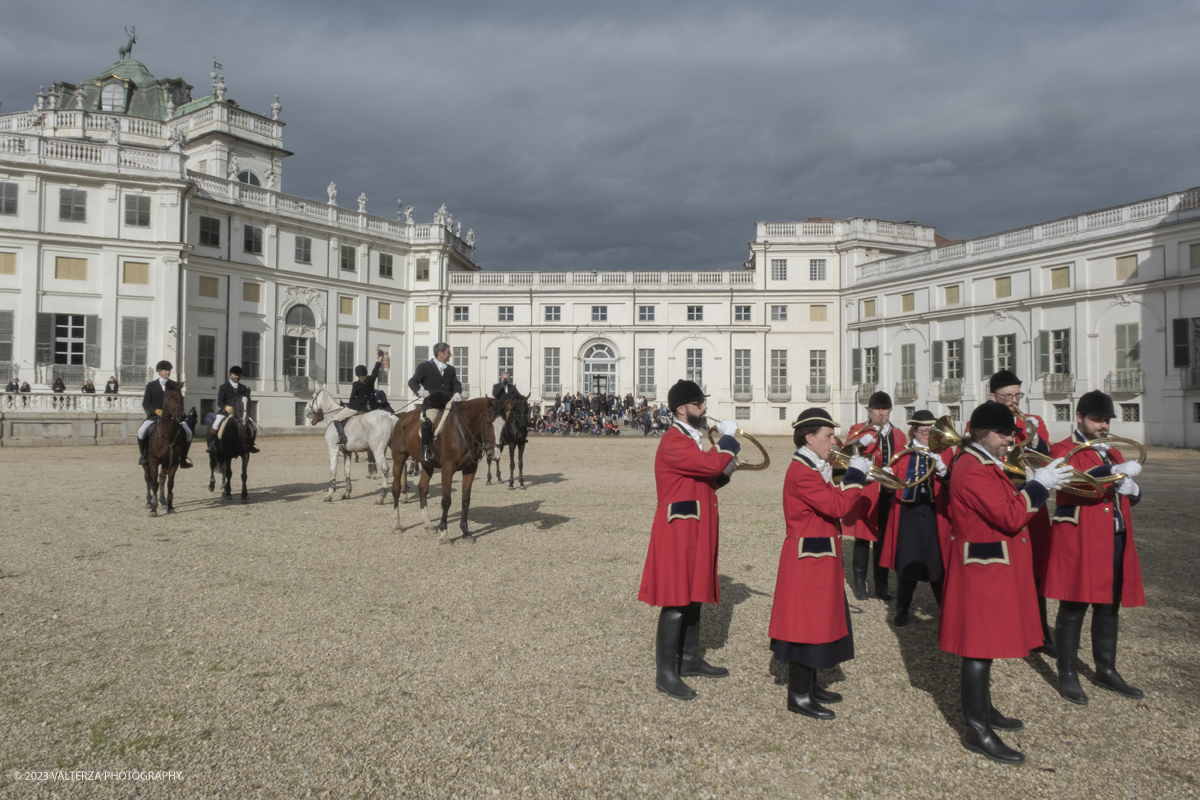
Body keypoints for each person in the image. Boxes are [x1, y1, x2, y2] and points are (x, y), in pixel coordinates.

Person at [939, 401, 1072, 764]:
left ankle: (986, 710)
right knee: (978, 650)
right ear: (980, 433)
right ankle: (976, 729)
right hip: (982, 568)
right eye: (1002, 434)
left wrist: (1029, 482)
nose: (1008, 441)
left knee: (988, 647)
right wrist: (1039, 486)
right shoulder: (972, 467)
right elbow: (1011, 515)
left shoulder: (983, 462)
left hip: (991, 565)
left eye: (1011, 434)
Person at [638, 379, 741, 700]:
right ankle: (665, 673)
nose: (705, 407)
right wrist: (728, 441)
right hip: (678, 532)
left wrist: (725, 474)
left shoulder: (690, 439)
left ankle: (689, 659)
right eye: (699, 403)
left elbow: (702, 479)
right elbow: (706, 464)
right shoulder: (674, 440)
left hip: (694, 528)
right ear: (682, 409)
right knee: (676, 602)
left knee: (693, 597)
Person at [769, 408, 873, 719]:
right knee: (805, 625)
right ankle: (798, 695)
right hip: (808, 557)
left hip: (818, 554)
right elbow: (836, 506)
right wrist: (855, 476)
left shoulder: (813, 464)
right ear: (809, 437)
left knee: (817, 621)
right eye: (828, 436)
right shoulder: (802, 469)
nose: (834, 440)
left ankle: (810, 686)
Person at [1044, 390, 1146, 706]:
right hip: (1081, 535)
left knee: (1109, 605)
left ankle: (1106, 668)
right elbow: (1075, 478)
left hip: (1114, 535)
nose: (1103, 426)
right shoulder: (1064, 449)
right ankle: (1068, 673)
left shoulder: (1114, 452)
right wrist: (1111, 473)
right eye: (1097, 419)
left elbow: (1126, 492)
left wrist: (1134, 489)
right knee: (1074, 605)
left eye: (1106, 420)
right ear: (1079, 418)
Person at [988, 369, 1056, 655]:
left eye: (1017, 395)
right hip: (1000, 497)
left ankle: (1040, 632)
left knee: (1037, 568)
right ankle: (1001, 629)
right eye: (1007, 396)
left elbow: (1046, 458)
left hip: (1030, 495)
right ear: (993, 397)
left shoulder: (1033, 421)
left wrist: (1035, 439)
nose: (1014, 401)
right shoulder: (981, 421)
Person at [879, 410, 951, 626]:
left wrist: (942, 468)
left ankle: (945, 610)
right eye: (923, 431)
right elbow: (890, 487)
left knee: (936, 562)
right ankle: (902, 609)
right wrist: (886, 476)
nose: (927, 435)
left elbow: (953, 482)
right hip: (907, 514)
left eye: (931, 431)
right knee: (906, 563)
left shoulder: (945, 452)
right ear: (914, 431)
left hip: (932, 513)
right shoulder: (903, 452)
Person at [843, 391, 906, 600]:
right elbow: (844, 454)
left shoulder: (898, 434)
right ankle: (860, 583)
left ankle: (881, 585)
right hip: (868, 492)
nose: (881, 413)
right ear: (869, 410)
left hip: (888, 491)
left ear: (889, 410)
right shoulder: (858, 430)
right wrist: (860, 441)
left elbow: (902, 462)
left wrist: (894, 474)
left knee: (883, 540)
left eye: (884, 409)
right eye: (877, 409)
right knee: (862, 538)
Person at [407, 342, 462, 460]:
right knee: (430, 421)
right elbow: (412, 381)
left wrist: (457, 392)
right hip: (432, 403)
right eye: (448, 352)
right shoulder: (424, 367)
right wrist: (420, 391)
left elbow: (456, 383)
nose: (450, 355)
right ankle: (425, 449)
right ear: (440, 353)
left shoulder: (451, 369)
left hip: (448, 402)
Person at [137, 360, 193, 468]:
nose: (168, 372)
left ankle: (183, 459)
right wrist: (155, 411)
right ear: (159, 371)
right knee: (141, 431)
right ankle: (143, 455)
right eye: (165, 370)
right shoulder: (151, 385)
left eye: (169, 370)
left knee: (189, 432)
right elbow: (146, 403)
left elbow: (180, 401)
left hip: (173, 417)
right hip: (154, 416)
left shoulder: (175, 385)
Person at [329, 353, 386, 446]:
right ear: (365, 373)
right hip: (372, 406)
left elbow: (352, 397)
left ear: (357, 375)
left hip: (357, 406)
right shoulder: (371, 379)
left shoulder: (356, 384)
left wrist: (349, 405)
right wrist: (380, 358)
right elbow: (375, 370)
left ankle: (343, 437)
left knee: (337, 419)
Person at [207, 366, 259, 454]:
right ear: (230, 374)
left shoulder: (243, 388)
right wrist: (225, 407)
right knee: (216, 423)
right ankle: (212, 444)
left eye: (239, 375)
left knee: (253, 425)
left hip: (240, 413)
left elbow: (246, 400)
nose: (237, 377)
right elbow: (219, 402)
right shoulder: (223, 387)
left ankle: (251, 444)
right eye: (235, 375)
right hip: (226, 412)